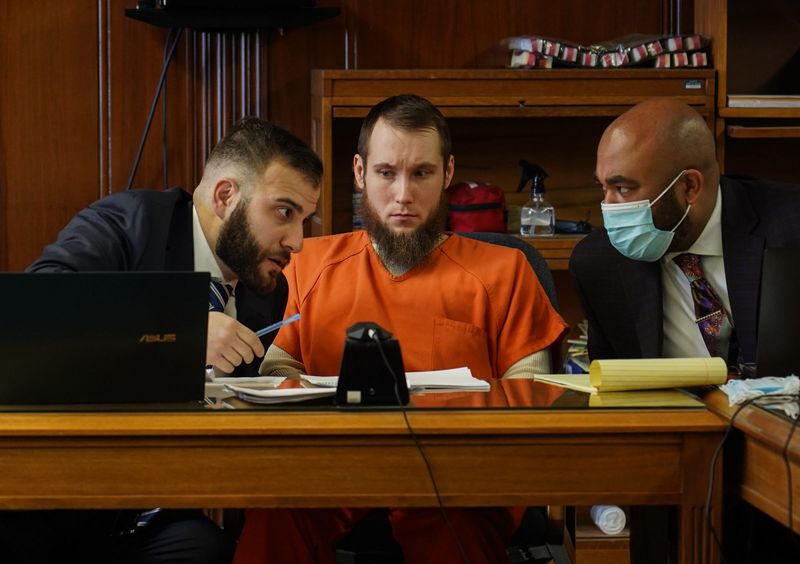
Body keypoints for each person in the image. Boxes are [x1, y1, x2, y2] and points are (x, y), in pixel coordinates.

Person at [233, 94, 567, 564]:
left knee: (453, 520)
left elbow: (531, 400)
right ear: (359, 172)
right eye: (387, 173)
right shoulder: (308, 264)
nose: (403, 194)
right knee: (276, 512)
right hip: (333, 464)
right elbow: (277, 377)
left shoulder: (506, 270)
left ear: (448, 173)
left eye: (422, 173)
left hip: (458, 471)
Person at [9, 118, 322, 563]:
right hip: (48, 501)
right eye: (285, 212)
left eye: (305, 220)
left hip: (151, 508)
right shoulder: (125, 224)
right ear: (226, 196)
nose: (298, 242)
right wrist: (180, 330)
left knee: (212, 552)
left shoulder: (266, 293)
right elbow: (34, 316)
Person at [569, 97, 800, 563]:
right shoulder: (599, 264)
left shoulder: (791, 227)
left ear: (689, 187)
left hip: (785, 465)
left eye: (623, 188)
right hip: (678, 475)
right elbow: (615, 385)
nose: (607, 209)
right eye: (603, 188)